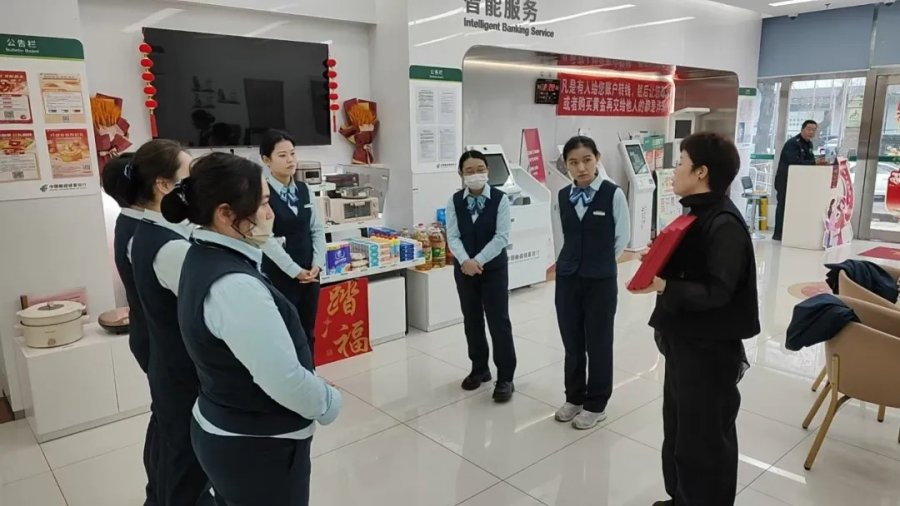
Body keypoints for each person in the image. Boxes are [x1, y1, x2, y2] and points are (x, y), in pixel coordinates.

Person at [161, 152, 341, 505]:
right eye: (262, 204)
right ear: (226, 214)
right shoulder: (235, 286)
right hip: (256, 445)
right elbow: (284, 380)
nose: (270, 214)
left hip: (228, 426)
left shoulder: (202, 255)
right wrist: (327, 401)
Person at [628, 133, 759, 506]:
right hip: (686, 342)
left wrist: (663, 285)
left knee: (705, 438)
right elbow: (693, 267)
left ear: (701, 172)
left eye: (681, 162)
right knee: (681, 429)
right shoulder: (697, 213)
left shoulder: (724, 224)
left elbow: (717, 291)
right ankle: (682, 497)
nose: (675, 169)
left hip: (709, 349)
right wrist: (659, 260)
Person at [127, 139, 213, 506]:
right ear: (164, 185)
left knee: (173, 452)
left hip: (168, 362)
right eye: (187, 177)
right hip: (181, 368)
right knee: (186, 464)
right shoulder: (171, 248)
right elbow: (210, 310)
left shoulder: (149, 232)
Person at [553, 135, 631, 430]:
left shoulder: (613, 194)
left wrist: (599, 261)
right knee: (572, 341)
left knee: (598, 342)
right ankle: (573, 397)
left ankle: (596, 403)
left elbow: (621, 238)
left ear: (597, 158)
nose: (581, 168)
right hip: (568, 279)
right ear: (566, 165)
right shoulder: (562, 196)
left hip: (600, 280)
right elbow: (560, 234)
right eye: (573, 162)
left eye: (587, 160)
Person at [101, 153, 158, 506]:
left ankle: (159, 492)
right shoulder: (144, 234)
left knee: (165, 420)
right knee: (173, 427)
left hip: (147, 334)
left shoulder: (131, 222)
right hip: (157, 340)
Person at [445, 150, 516, 402]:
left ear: (487, 171)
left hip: (493, 270)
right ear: (461, 174)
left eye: (480, 169)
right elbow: (452, 235)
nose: (475, 174)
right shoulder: (454, 201)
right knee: (472, 320)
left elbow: (501, 236)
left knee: (499, 322)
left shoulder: (500, 199)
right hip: (465, 271)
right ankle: (479, 368)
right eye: (469, 171)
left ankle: (505, 377)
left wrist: (478, 261)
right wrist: (465, 261)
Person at [258, 130, 326, 355]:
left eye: (293, 154)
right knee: (285, 334)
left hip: (310, 274)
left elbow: (317, 229)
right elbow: (265, 239)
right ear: (266, 160)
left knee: (308, 331)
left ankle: (310, 372)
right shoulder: (262, 194)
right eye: (282, 155)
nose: (290, 160)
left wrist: (317, 264)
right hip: (280, 276)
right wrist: (294, 271)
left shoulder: (304, 190)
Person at [774, 119, 825, 240]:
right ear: (802, 129)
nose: (811, 132)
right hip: (785, 180)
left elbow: (809, 160)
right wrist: (814, 162)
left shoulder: (809, 144)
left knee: (795, 207)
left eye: (814, 130)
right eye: (809, 129)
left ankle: (792, 232)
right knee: (783, 206)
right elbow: (795, 162)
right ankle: (778, 234)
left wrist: (817, 162)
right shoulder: (793, 143)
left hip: (799, 182)